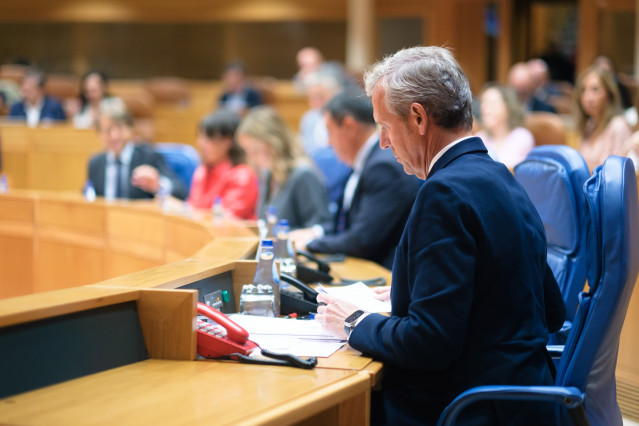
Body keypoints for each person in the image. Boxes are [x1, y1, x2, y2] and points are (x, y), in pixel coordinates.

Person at [315, 46, 565, 425]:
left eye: (385, 126)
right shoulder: (500, 177)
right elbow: (551, 311)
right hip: (522, 399)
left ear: (417, 117)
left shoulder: (442, 193)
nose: (383, 143)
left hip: (465, 408)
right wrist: (417, 289)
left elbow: (429, 344)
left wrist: (355, 322)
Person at [290, 90, 420, 270]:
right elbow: (346, 223)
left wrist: (311, 243)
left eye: (329, 131)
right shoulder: (366, 161)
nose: (328, 143)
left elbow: (361, 241)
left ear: (349, 127)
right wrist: (316, 232)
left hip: (383, 276)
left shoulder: (383, 167)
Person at [236, 106, 330, 229]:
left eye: (255, 151)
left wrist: (286, 237)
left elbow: (320, 228)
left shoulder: (303, 174)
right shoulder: (269, 175)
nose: (251, 158)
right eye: (247, 152)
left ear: (275, 145)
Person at [88, 103, 188, 200]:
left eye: (119, 128)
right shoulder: (95, 163)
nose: (114, 136)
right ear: (99, 134)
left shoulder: (149, 157)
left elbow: (180, 191)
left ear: (130, 128)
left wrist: (158, 185)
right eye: (108, 130)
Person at [187, 109, 259, 219]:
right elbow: (192, 208)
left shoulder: (242, 176)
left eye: (209, 138)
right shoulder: (202, 171)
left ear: (228, 142)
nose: (200, 143)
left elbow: (226, 221)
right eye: (200, 136)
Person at [298, 70, 352, 208]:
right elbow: (303, 150)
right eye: (312, 97)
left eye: (320, 96)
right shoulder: (308, 119)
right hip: (312, 176)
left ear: (334, 93)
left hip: (339, 175)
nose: (315, 101)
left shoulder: (345, 119)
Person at [575, 65, 632, 171]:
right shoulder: (589, 125)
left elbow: (616, 172)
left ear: (608, 94)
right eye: (583, 90)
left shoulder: (618, 126)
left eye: (595, 89)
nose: (588, 97)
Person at [475, 84, 535, 169]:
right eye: (483, 102)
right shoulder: (479, 137)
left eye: (492, 103)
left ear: (508, 108)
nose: (484, 108)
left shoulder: (522, 136)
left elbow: (505, 171)